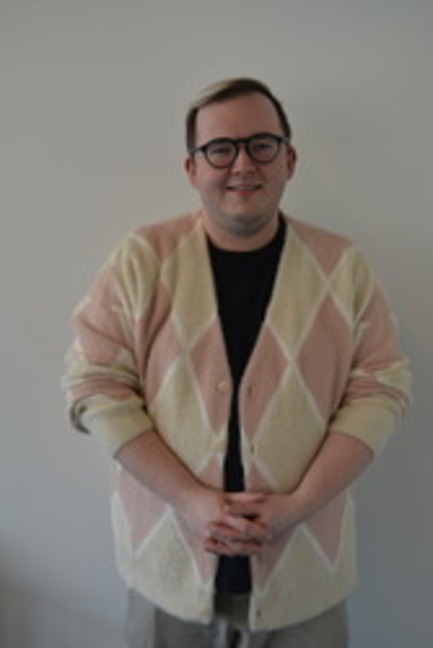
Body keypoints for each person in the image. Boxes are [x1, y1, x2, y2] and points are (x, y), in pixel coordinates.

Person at [63, 77, 412, 648]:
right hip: (167, 572)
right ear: (192, 168)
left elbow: (381, 387)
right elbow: (94, 385)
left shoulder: (343, 267)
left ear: (289, 159)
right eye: (220, 149)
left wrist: (299, 506)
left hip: (306, 575)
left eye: (262, 145)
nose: (243, 164)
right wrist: (188, 498)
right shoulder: (140, 261)